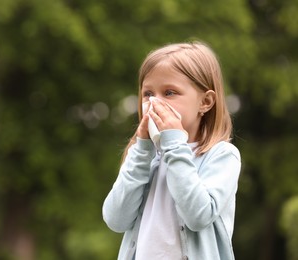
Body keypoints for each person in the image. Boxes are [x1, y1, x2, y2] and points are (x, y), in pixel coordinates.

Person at [102, 41, 241, 260]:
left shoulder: (222, 155)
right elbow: (115, 219)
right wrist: (142, 150)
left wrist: (175, 144)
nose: (154, 102)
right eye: (148, 94)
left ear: (205, 102)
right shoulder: (142, 156)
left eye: (169, 92)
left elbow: (198, 216)